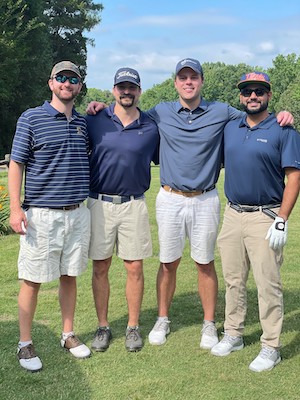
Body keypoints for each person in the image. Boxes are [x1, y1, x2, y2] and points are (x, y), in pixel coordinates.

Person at [87, 59, 293, 350]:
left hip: (205, 198)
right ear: (175, 83)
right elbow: (127, 111)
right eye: (182, 77)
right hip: (169, 197)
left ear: (201, 81)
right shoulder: (160, 112)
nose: (188, 82)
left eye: (193, 77)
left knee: (204, 262)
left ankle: (209, 325)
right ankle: (162, 318)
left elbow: (256, 116)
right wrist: (98, 106)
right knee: (167, 263)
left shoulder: (221, 111)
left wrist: (282, 114)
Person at [211, 72, 300, 372]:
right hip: (233, 214)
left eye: (259, 91)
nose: (253, 96)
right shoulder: (231, 127)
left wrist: (282, 219)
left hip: (266, 215)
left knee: (267, 283)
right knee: (234, 280)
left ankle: (270, 345)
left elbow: (294, 176)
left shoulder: (283, 129)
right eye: (248, 91)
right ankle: (233, 333)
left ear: (268, 96)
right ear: (240, 96)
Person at [8, 61, 91, 372]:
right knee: (32, 280)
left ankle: (67, 334)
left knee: (70, 275)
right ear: (51, 83)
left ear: (79, 86)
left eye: (73, 79)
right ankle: (25, 343)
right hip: (42, 214)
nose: (67, 83)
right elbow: (17, 164)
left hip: (77, 213)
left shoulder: (83, 124)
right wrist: (16, 209)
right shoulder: (31, 118)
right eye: (61, 78)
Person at [85, 67, 159, 352]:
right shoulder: (94, 120)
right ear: (113, 90)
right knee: (100, 266)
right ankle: (103, 326)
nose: (126, 92)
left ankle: (132, 327)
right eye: (121, 87)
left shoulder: (152, 126)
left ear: (139, 90)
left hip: (133, 204)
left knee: (135, 267)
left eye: (132, 87)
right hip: (99, 203)